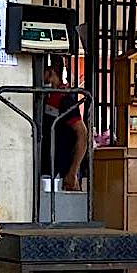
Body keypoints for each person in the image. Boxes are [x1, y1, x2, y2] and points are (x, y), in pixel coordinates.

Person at [41, 60, 91, 192]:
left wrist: (72, 172)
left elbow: (82, 134)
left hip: (62, 170)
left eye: (43, 73)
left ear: (51, 72)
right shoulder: (46, 97)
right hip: (47, 167)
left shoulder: (64, 100)